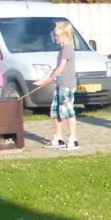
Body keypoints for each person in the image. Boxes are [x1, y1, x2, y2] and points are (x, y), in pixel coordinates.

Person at [33, 21, 80, 150]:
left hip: (67, 85)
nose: (55, 38)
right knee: (55, 112)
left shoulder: (67, 48)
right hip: (60, 84)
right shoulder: (63, 49)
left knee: (68, 112)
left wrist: (47, 80)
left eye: (57, 35)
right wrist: (46, 79)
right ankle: (58, 138)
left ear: (65, 35)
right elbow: (57, 69)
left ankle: (72, 139)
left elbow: (61, 68)